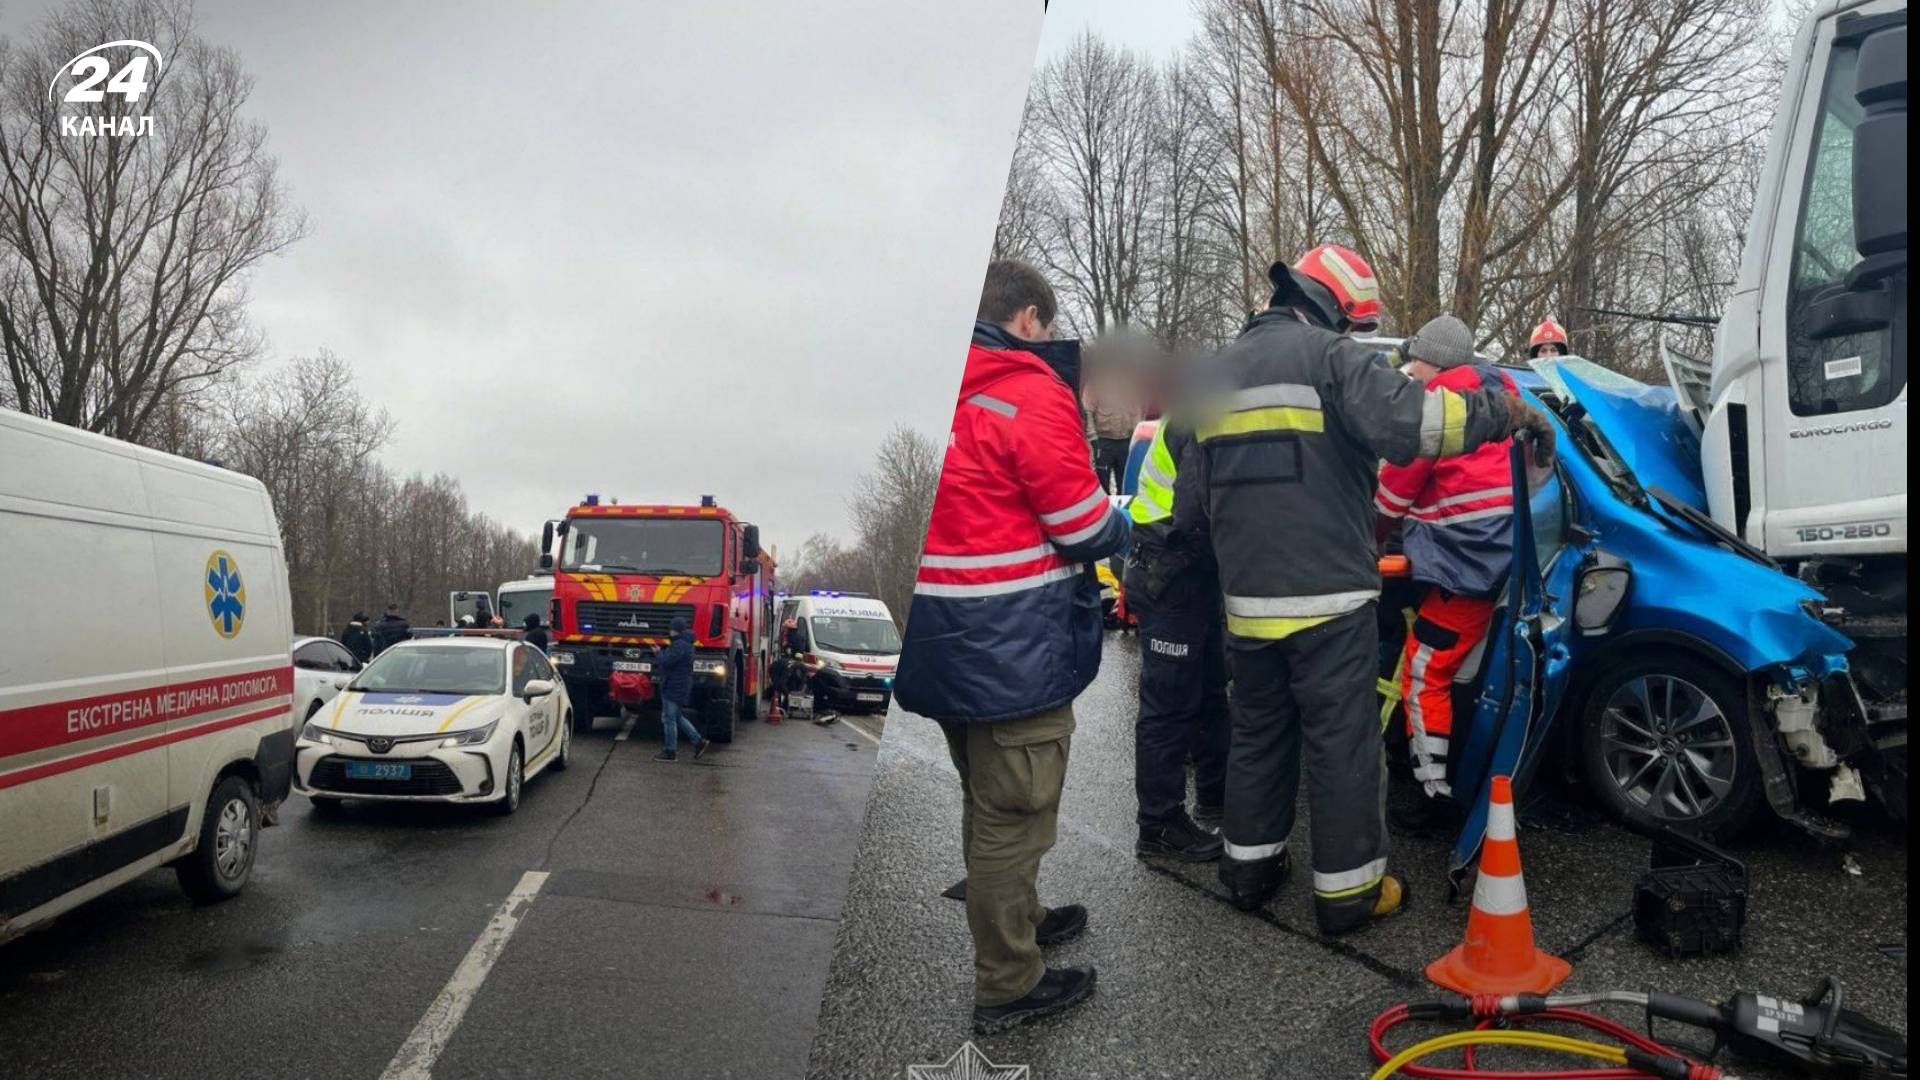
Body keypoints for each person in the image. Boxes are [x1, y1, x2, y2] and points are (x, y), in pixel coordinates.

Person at [1172, 244, 1555, 934]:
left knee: (1258, 736)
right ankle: (1347, 895)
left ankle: (1249, 871)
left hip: (1247, 604)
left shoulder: (1213, 374)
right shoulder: (1332, 359)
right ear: (1334, 309)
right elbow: (1421, 425)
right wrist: (1505, 411)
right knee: (1342, 743)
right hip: (1331, 599)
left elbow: (1190, 497)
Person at [895, 259, 1131, 1034]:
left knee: (987, 799)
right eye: (1051, 327)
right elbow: (1083, 526)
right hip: (1009, 647)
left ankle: (1021, 920)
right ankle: (1009, 982)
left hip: (944, 642)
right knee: (1014, 812)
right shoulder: (1027, 392)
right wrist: (1124, 519)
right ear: (1029, 319)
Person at [1375, 315, 1521, 819]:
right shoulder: (1499, 393)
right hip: (1501, 560)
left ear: (1431, 363)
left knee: (1423, 671)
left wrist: (1363, 543)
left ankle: (1432, 793)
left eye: (1414, 361)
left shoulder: (1432, 413)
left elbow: (1389, 499)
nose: (1408, 372)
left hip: (1465, 568)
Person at [1123, 406, 1228, 862]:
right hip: (1171, 569)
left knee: (1208, 692)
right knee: (1168, 706)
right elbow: (1193, 512)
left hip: (1183, 570)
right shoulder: (1202, 418)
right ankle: (1158, 825)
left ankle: (1215, 797)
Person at [652, 616, 710, 762]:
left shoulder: (679, 645)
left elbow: (666, 662)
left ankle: (670, 751)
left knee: (668, 718)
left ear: (674, 630)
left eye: (670, 628)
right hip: (680, 685)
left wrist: (658, 653)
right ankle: (698, 741)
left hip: (674, 686)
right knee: (677, 717)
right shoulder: (686, 644)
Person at [1082, 363, 1141, 493]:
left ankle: (1124, 511)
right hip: (1103, 442)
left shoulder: (1131, 385)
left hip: (1126, 442)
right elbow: (1088, 411)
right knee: (1101, 485)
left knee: (1126, 484)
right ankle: (1105, 512)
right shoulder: (1095, 384)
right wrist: (1093, 438)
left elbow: (1138, 411)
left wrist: (1137, 435)